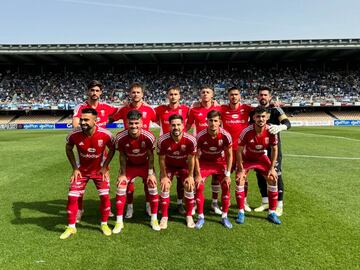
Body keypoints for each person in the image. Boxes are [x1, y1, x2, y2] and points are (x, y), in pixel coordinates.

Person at [60, 108, 115, 239]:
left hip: (99, 171)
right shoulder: (74, 134)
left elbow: (113, 149)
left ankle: (104, 224)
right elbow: (68, 148)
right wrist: (75, 168)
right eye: (81, 119)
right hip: (81, 171)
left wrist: (105, 166)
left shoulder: (106, 134)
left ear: (95, 121)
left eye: (86, 120)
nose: (82, 122)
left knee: (105, 197)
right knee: (72, 197)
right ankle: (71, 227)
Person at [72, 80, 117, 222]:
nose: (94, 93)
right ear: (88, 92)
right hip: (84, 149)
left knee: (105, 180)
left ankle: (106, 208)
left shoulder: (106, 107)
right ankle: (79, 209)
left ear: (101, 92)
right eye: (92, 90)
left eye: (97, 90)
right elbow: (75, 124)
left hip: (101, 151)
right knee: (79, 182)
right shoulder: (81, 107)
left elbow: (122, 110)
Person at [111, 82, 157, 219]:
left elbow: (163, 120)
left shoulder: (150, 110)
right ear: (130, 94)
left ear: (142, 94)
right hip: (128, 148)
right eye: (133, 92)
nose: (136, 94)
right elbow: (109, 118)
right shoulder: (124, 109)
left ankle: (149, 205)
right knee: (128, 182)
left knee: (149, 182)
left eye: (138, 92)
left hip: (145, 149)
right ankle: (130, 207)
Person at [113, 110, 160, 233]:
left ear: (142, 123)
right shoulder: (120, 136)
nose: (134, 126)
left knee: (152, 184)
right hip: (130, 165)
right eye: (131, 123)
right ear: (127, 123)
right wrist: (122, 174)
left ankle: (154, 218)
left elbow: (151, 156)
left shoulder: (148, 136)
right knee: (121, 186)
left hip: (144, 165)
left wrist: (151, 173)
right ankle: (120, 220)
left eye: (136, 123)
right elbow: (122, 156)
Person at [235, 106, 281, 225]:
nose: (261, 119)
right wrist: (240, 168)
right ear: (254, 118)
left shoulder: (271, 131)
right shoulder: (247, 131)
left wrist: (272, 168)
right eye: (258, 116)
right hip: (247, 158)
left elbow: (275, 149)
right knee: (239, 180)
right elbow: (239, 151)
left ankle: (272, 212)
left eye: (263, 116)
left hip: (261, 158)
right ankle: (241, 212)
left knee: (272, 179)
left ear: (267, 117)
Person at [251, 86, 291, 216]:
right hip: (259, 149)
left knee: (276, 175)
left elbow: (287, 122)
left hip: (273, 149)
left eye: (265, 95)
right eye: (261, 95)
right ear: (257, 97)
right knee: (260, 175)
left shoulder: (276, 110)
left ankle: (279, 204)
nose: (263, 97)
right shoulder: (254, 111)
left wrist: (281, 127)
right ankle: (265, 202)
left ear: (270, 97)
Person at [186, 85, 222, 215]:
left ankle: (214, 202)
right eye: (203, 92)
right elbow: (188, 126)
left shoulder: (219, 108)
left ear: (212, 95)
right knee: (198, 176)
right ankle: (196, 202)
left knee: (216, 177)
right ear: (200, 95)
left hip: (216, 148)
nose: (205, 94)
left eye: (208, 92)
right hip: (199, 148)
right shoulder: (194, 109)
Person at [194, 110, 233, 229]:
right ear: (207, 121)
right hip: (204, 163)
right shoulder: (200, 136)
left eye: (216, 121)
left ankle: (224, 216)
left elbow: (230, 155)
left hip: (219, 162)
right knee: (199, 185)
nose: (213, 123)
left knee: (226, 185)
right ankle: (200, 217)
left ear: (220, 122)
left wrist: (228, 174)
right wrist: (197, 174)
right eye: (210, 120)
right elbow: (195, 155)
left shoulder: (225, 135)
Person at [157, 114, 197, 229]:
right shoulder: (163, 140)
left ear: (183, 126)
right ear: (169, 126)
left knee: (189, 186)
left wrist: (190, 176)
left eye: (178, 125)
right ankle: (164, 217)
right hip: (169, 166)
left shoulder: (190, 140)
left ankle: (189, 215)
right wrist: (164, 176)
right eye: (173, 125)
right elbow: (161, 159)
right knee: (165, 186)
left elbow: (191, 159)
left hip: (184, 166)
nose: (176, 127)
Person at [155, 86, 190, 215]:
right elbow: (146, 114)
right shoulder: (160, 110)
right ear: (167, 96)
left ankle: (180, 204)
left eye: (176, 94)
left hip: (182, 149)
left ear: (179, 96)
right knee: (164, 179)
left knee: (182, 181)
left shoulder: (187, 109)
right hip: (166, 148)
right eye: (171, 94)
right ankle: (163, 204)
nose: (173, 96)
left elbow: (193, 121)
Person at [220, 86, 253, 212]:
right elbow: (209, 108)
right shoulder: (222, 109)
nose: (234, 96)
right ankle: (226, 201)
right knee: (225, 176)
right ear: (228, 96)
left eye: (236, 94)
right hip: (226, 150)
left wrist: (273, 105)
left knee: (242, 177)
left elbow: (263, 111)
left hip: (242, 150)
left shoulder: (247, 109)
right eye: (231, 94)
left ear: (240, 96)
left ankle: (243, 201)